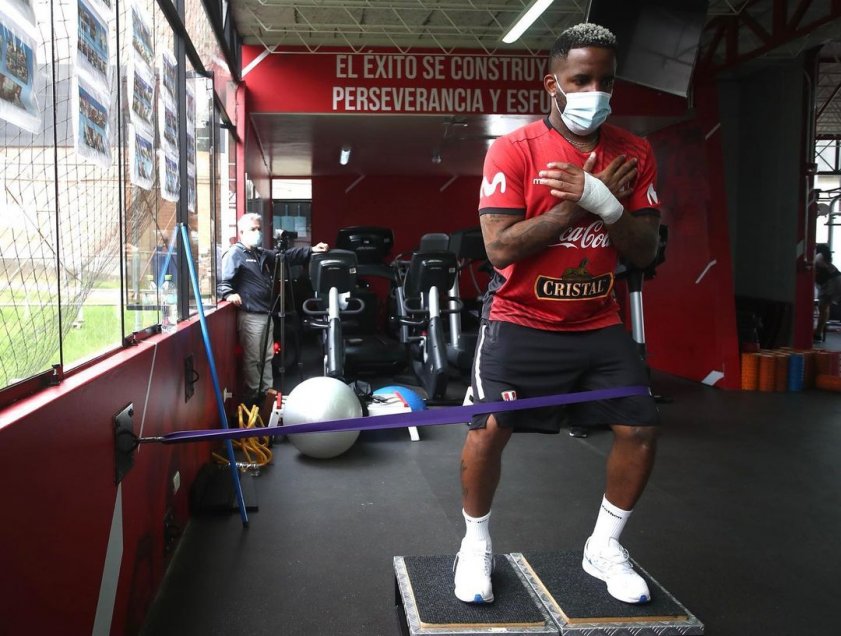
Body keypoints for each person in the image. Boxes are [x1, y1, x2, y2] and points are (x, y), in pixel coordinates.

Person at [453, 23, 662, 606]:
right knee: (488, 431)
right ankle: (474, 546)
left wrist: (608, 203)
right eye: (582, 79)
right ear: (553, 83)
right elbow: (500, 248)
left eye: (606, 80)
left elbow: (643, 251)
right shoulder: (514, 150)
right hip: (521, 318)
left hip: (598, 320)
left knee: (641, 430)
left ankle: (603, 548)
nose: (596, 91)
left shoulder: (635, 151)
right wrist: (582, 203)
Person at [217, 213, 328, 403]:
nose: (257, 232)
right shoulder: (236, 253)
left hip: (266, 314)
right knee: (253, 359)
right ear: (241, 232)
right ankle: (255, 397)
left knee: (266, 356)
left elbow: (285, 256)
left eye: (259, 228)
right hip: (251, 316)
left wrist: (311, 250)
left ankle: (267, 394)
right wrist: (228, 294)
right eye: (253, 229)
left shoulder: (259, 253)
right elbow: (223, 281)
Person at [814, 243, 841, 342]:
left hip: (830, 283)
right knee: (824, 308)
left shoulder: (818, 257)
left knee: (823, 308)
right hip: (836, 280)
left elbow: (817, 259)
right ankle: (818, 334)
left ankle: (818, 334)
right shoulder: (827, 261)